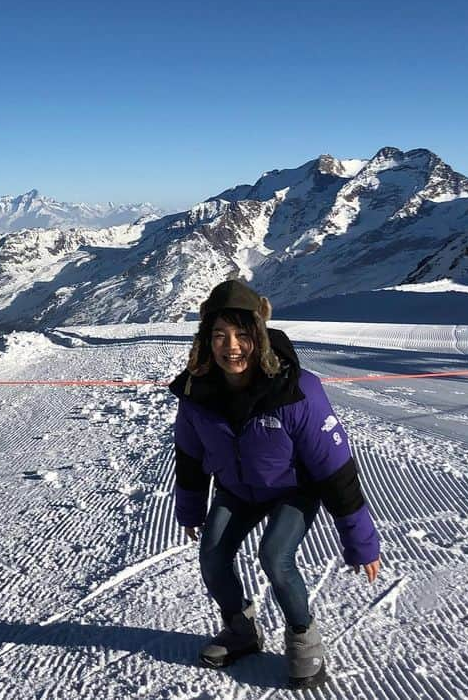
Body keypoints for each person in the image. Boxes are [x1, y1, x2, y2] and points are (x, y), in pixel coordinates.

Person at [170, 279, 381, 686]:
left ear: (259, 336)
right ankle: (241, 630)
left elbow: (336, 470)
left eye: (242, 334)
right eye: (219, 335)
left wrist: (360, 542)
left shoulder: (298, 390)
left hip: (293, 489)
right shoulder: (197, 391)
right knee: (212, 556)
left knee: (274, 557)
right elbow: (190, 455)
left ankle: (304, 640)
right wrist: (190, 508)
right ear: (206, 341)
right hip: (238, 489)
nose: (231, 346)